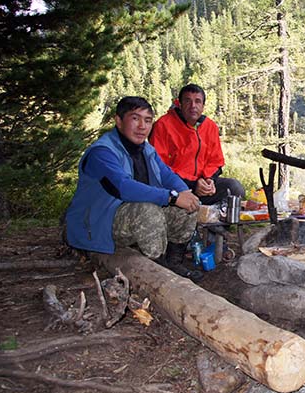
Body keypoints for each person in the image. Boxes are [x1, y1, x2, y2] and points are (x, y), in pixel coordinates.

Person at [65, 96, 204, 282]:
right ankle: (158, 271)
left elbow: (167, 175)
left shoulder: (145, 149)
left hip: (127, 216)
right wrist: (172, 197)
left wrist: (185, 193)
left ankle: (173, 261)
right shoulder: (102, 152)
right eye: (135, 118)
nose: (142, 126)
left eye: (147, 121)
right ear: (119, 121)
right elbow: (123, 187)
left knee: (187, 209)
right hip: (100, 222)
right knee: (148, 210)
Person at [149, 84, 245, 206]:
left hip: (202, 185)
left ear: (203, 106)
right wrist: (194, 184)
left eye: (197, 101)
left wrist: (209, 180)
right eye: (188, 101)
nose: (193, 106)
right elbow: (159, 167)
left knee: (234, 188)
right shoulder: (163, 125)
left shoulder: (210, 127)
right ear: (180, 104)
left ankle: (213, 219)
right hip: (175, 187)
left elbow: (216, 161)